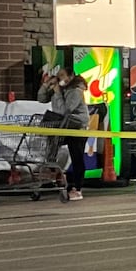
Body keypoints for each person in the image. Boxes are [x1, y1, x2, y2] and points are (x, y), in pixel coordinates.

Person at [39, 64, 91, 199]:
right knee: (51, 146)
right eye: (58, 75)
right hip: (63, 126)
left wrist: (57, 92)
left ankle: (77, 188)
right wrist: (46, 85)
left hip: (76, 127)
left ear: (70, 77)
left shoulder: (75, 91)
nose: (59, 78)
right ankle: (55, 176)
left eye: (62, 75)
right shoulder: (60, 89)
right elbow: (41, 99)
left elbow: (64, 111)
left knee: (77, 156)